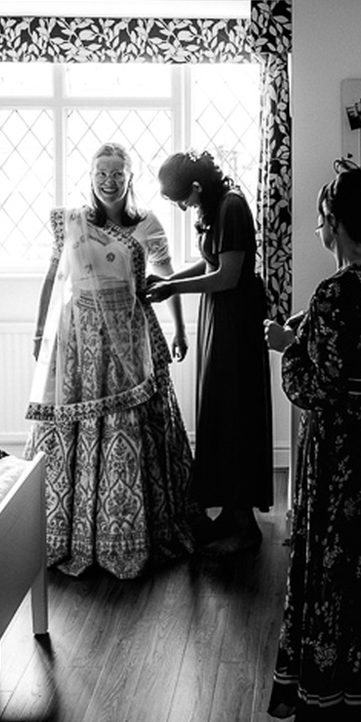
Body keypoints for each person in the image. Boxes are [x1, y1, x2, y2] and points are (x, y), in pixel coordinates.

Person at [261, 163, 361, 722]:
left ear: (333, 223)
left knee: (334, 559)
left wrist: (286, 344)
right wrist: (310, 329)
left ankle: (331, 686)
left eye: (321, 217)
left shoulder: (333, 290)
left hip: (343, 445)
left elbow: (319, 387)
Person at [26, 142, 197, 578]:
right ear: (91, 176)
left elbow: (166, 277)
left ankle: (138, 529)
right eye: (101, 172)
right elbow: (53, 277)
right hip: (79, 341)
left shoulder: (146, 226)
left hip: (132, 337)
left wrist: (177, 328)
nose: (108, 180)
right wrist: (41, 330)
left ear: (130, 178)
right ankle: (69, 530)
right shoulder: (74, 224)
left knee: (138, 428)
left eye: (117, 173)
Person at [145, 150, 272, 556]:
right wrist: (166, 281)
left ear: (197, 187)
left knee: (235, 414)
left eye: (182, 198)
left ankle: (245, 527)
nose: (183, 207)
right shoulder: (216, 207)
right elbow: (207, 266)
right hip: (220, 315)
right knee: (219, 411)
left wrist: (174, 288)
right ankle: (230, 514)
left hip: (236, 319)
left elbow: (227, 276)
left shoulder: (232, 207)